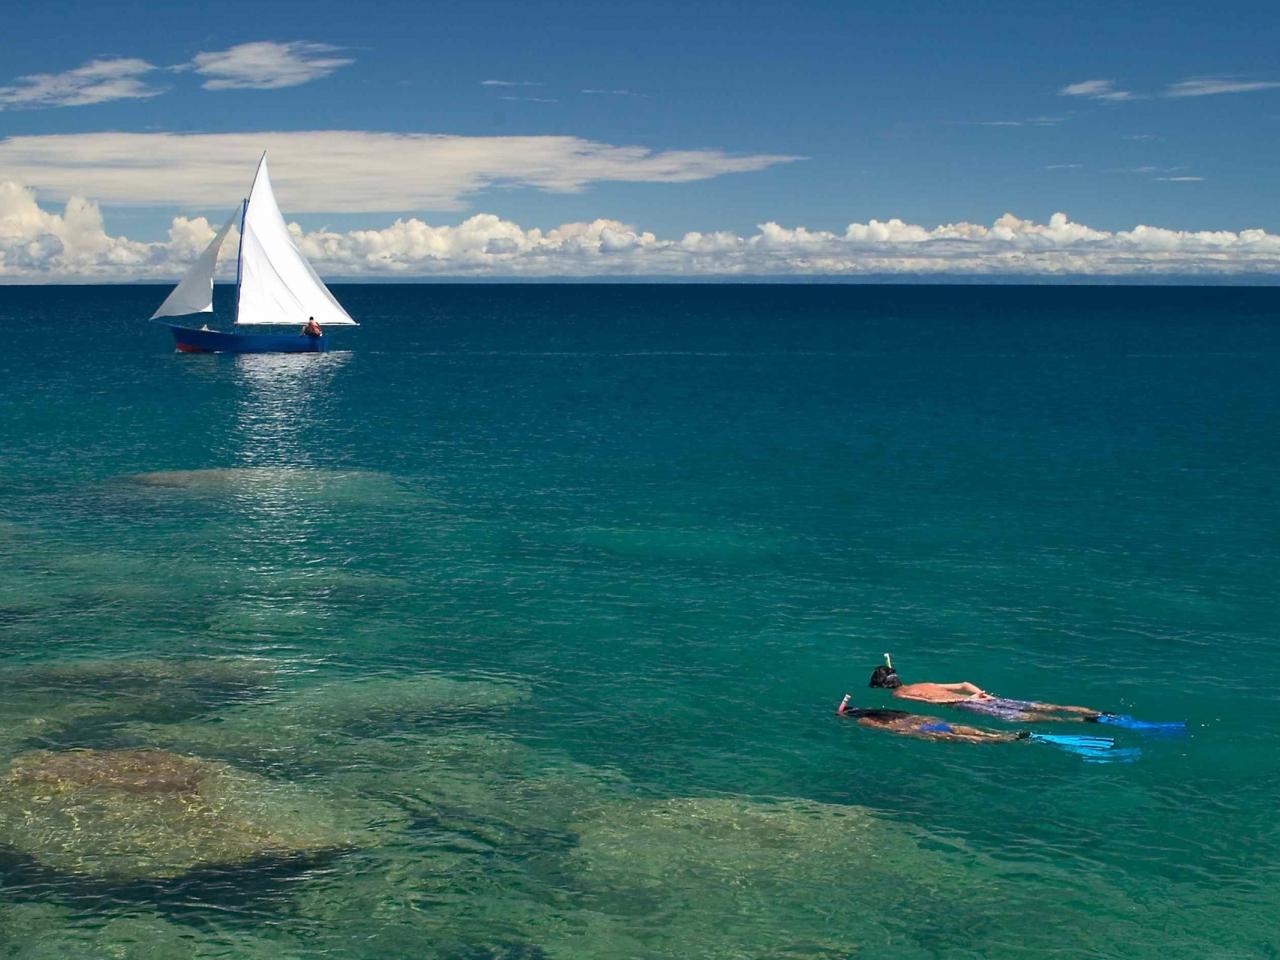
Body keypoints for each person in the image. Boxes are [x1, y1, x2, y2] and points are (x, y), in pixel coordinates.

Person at [867, 663, 1100, 724]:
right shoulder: (925, 682)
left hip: (966, 705)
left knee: (1019, 717)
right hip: (981, 698)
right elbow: (965, 683)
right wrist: (982, 694)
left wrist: (967, 701)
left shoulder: (898, 696)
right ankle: (1089, 712)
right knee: (1032, 705)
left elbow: (937, 703)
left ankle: (1081, 720)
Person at [836, 694, 1020, 743]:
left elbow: (887, 729)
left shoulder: (864, 720)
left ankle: (999, 740)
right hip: (925, 721)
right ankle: (998, 734)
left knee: (956, 738)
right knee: (956, 728)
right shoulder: (890, 711)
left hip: (915, 729)